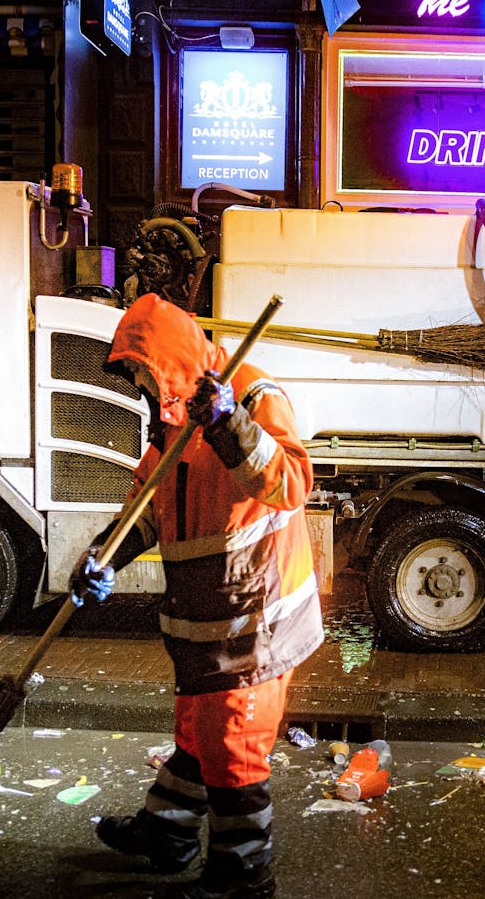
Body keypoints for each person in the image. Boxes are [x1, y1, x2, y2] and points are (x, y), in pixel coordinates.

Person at [68, 292, 321, 899]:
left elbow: (291, 483)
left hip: (255, 617)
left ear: (172, 364)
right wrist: (105, 554)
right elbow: (152, 505)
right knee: (196, 732)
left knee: (233, 745)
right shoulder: (172, 419)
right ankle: (168, 832)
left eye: (143, 375)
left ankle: (243, 874)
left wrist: (231, 425)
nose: (141, 391)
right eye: (134, 378)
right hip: (204, 616)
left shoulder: (251, 396)